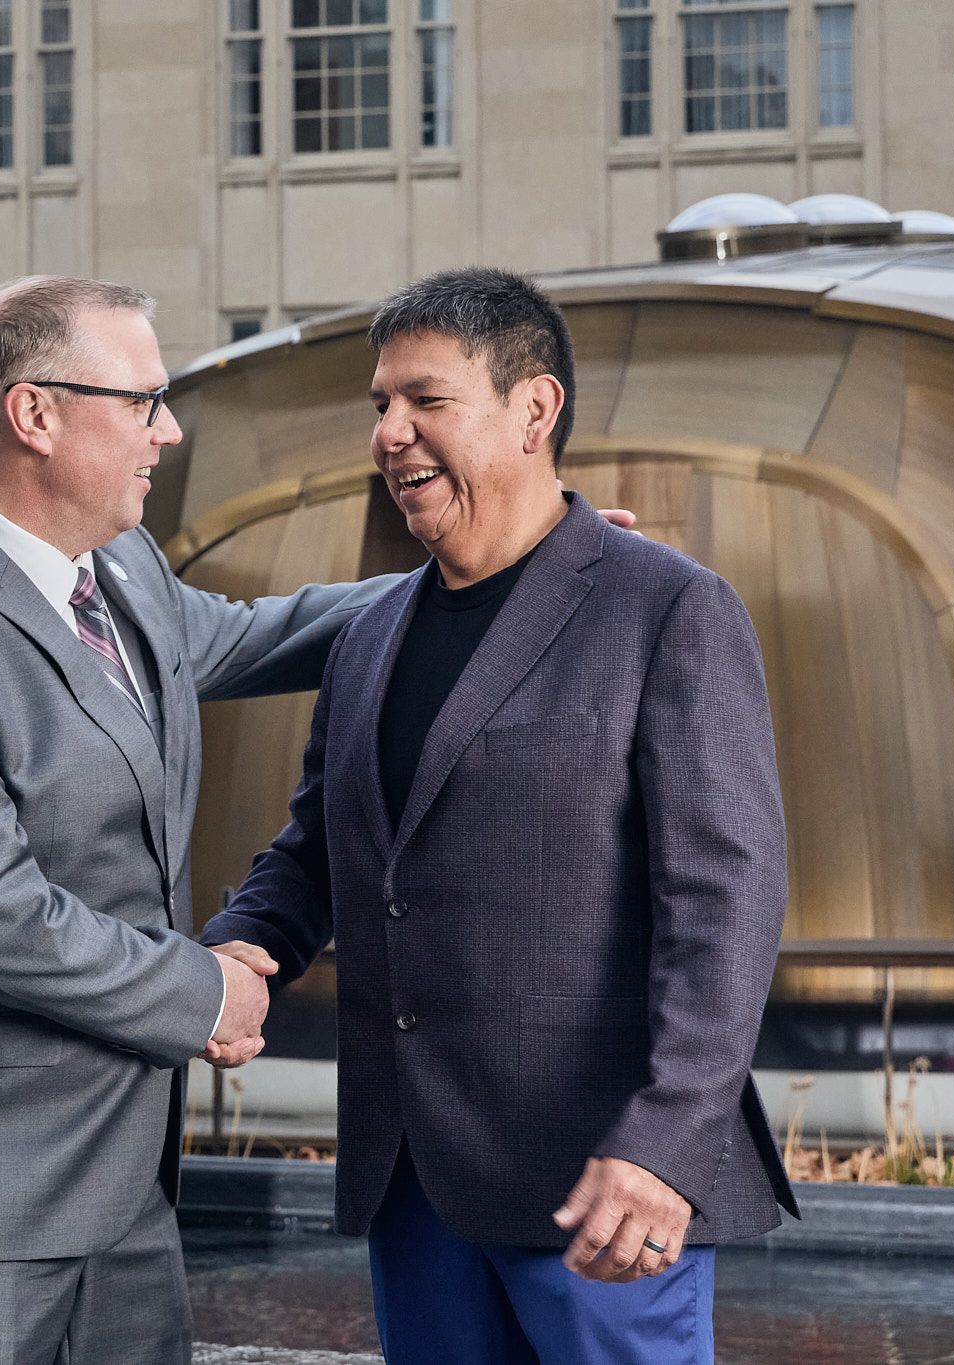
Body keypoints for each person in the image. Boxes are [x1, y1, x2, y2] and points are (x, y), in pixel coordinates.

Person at [0, 275, 405, 1365]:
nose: (165, 432)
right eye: (143, 402)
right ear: (35, 414)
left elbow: (262, 635)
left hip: (121, 1177)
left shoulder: (119, 569)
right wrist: (205, 988)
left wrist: (476, 573)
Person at [200, 266, 798, 1364]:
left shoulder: (668, 607)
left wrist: (664, 1144)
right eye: (378, 405)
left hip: (602, 1188)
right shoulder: (368, 635)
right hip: (408, 1182)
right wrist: (239, 949)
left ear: (534, 410)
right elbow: (322, 854)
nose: (389, 433)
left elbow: (725, 902)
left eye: (424, 400)